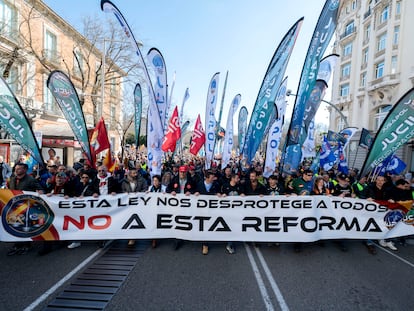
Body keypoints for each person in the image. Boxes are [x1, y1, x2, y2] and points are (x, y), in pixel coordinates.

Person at [7, 163, 44, 256]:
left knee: (24, 226)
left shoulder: (30, 180)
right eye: (16, 168)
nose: (17, 170)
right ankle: (17, 245)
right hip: (14, 207)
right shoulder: (12, 179)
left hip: (26, 207)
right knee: (15, 225)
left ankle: (26, 245)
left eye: (19, 168)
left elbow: (40, 190)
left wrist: (39, 192)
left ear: (25, 170)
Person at [166, 166, 196, 250]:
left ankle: (186, 235)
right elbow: (168, 189)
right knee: (177, 220)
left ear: (186, 172)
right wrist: (171, 191)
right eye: (181, 172)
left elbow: (195, 189)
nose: (182, 174)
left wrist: (190, 192)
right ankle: (177, 240)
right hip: (177, 205)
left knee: (186, 219)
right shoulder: (174, 180)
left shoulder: (190, 180)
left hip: (187, 204)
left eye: (184, 172)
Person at [67, 171, 99, 249]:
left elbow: (95, 193)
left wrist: (93, 194)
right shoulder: (78, 185)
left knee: (93, 224)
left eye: (86, 177)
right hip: (79, 208)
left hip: (88, 208)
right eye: (83, 177)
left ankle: (98, 239)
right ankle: (76, 241)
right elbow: (72, 193)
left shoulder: (91, 186)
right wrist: (73, 196)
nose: (84, 179)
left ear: (89, 179)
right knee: (78, 224)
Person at [366, 175, 397, 251]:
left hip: (382, 211)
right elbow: (361, 196)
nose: (380, 182)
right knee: (370, 224)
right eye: (378, 180)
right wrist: (366, 199)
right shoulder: (369, 188)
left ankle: (381, 238)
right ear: (376, 180)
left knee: (382, 224)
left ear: (384, 181)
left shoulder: (387, 190)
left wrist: (391, 200)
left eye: (382, 180)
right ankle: (368, 241)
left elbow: (391, 197)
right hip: (371, 210)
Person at [195, 170, 221, 255]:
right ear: (207, 178)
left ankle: (206, 242)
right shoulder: (199, 184)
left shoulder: (216, 185)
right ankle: (204, 243)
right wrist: (195, 193)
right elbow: (193, 192)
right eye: (212, 177)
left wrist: (219, 194)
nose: (214, 178)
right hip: (201, 210)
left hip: (212, 209)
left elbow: (219, 193)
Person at [121, 168, 147, 247]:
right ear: (130, 174)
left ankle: (133, 237)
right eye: (133, 173)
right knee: (128, 219)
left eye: (136, 173)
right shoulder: (124, 181)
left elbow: (145, 188)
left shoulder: (142, 180)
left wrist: (139, 193)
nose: (135, 174)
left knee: (136, 219)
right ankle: (130, 237)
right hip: (128, 204)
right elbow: (121, 190)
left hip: (138, 203)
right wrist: (124, 193)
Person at [220, 173, 243, 254]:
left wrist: (242, 195)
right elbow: (219, 195)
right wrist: (221, 195)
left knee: (233, 227)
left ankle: (230, 244)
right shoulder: (225, 186)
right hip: (226, 211)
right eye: (237, 178)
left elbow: (242, 195)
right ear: (233, 178)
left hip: (236, 211)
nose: (238, 179)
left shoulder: (239, 186)